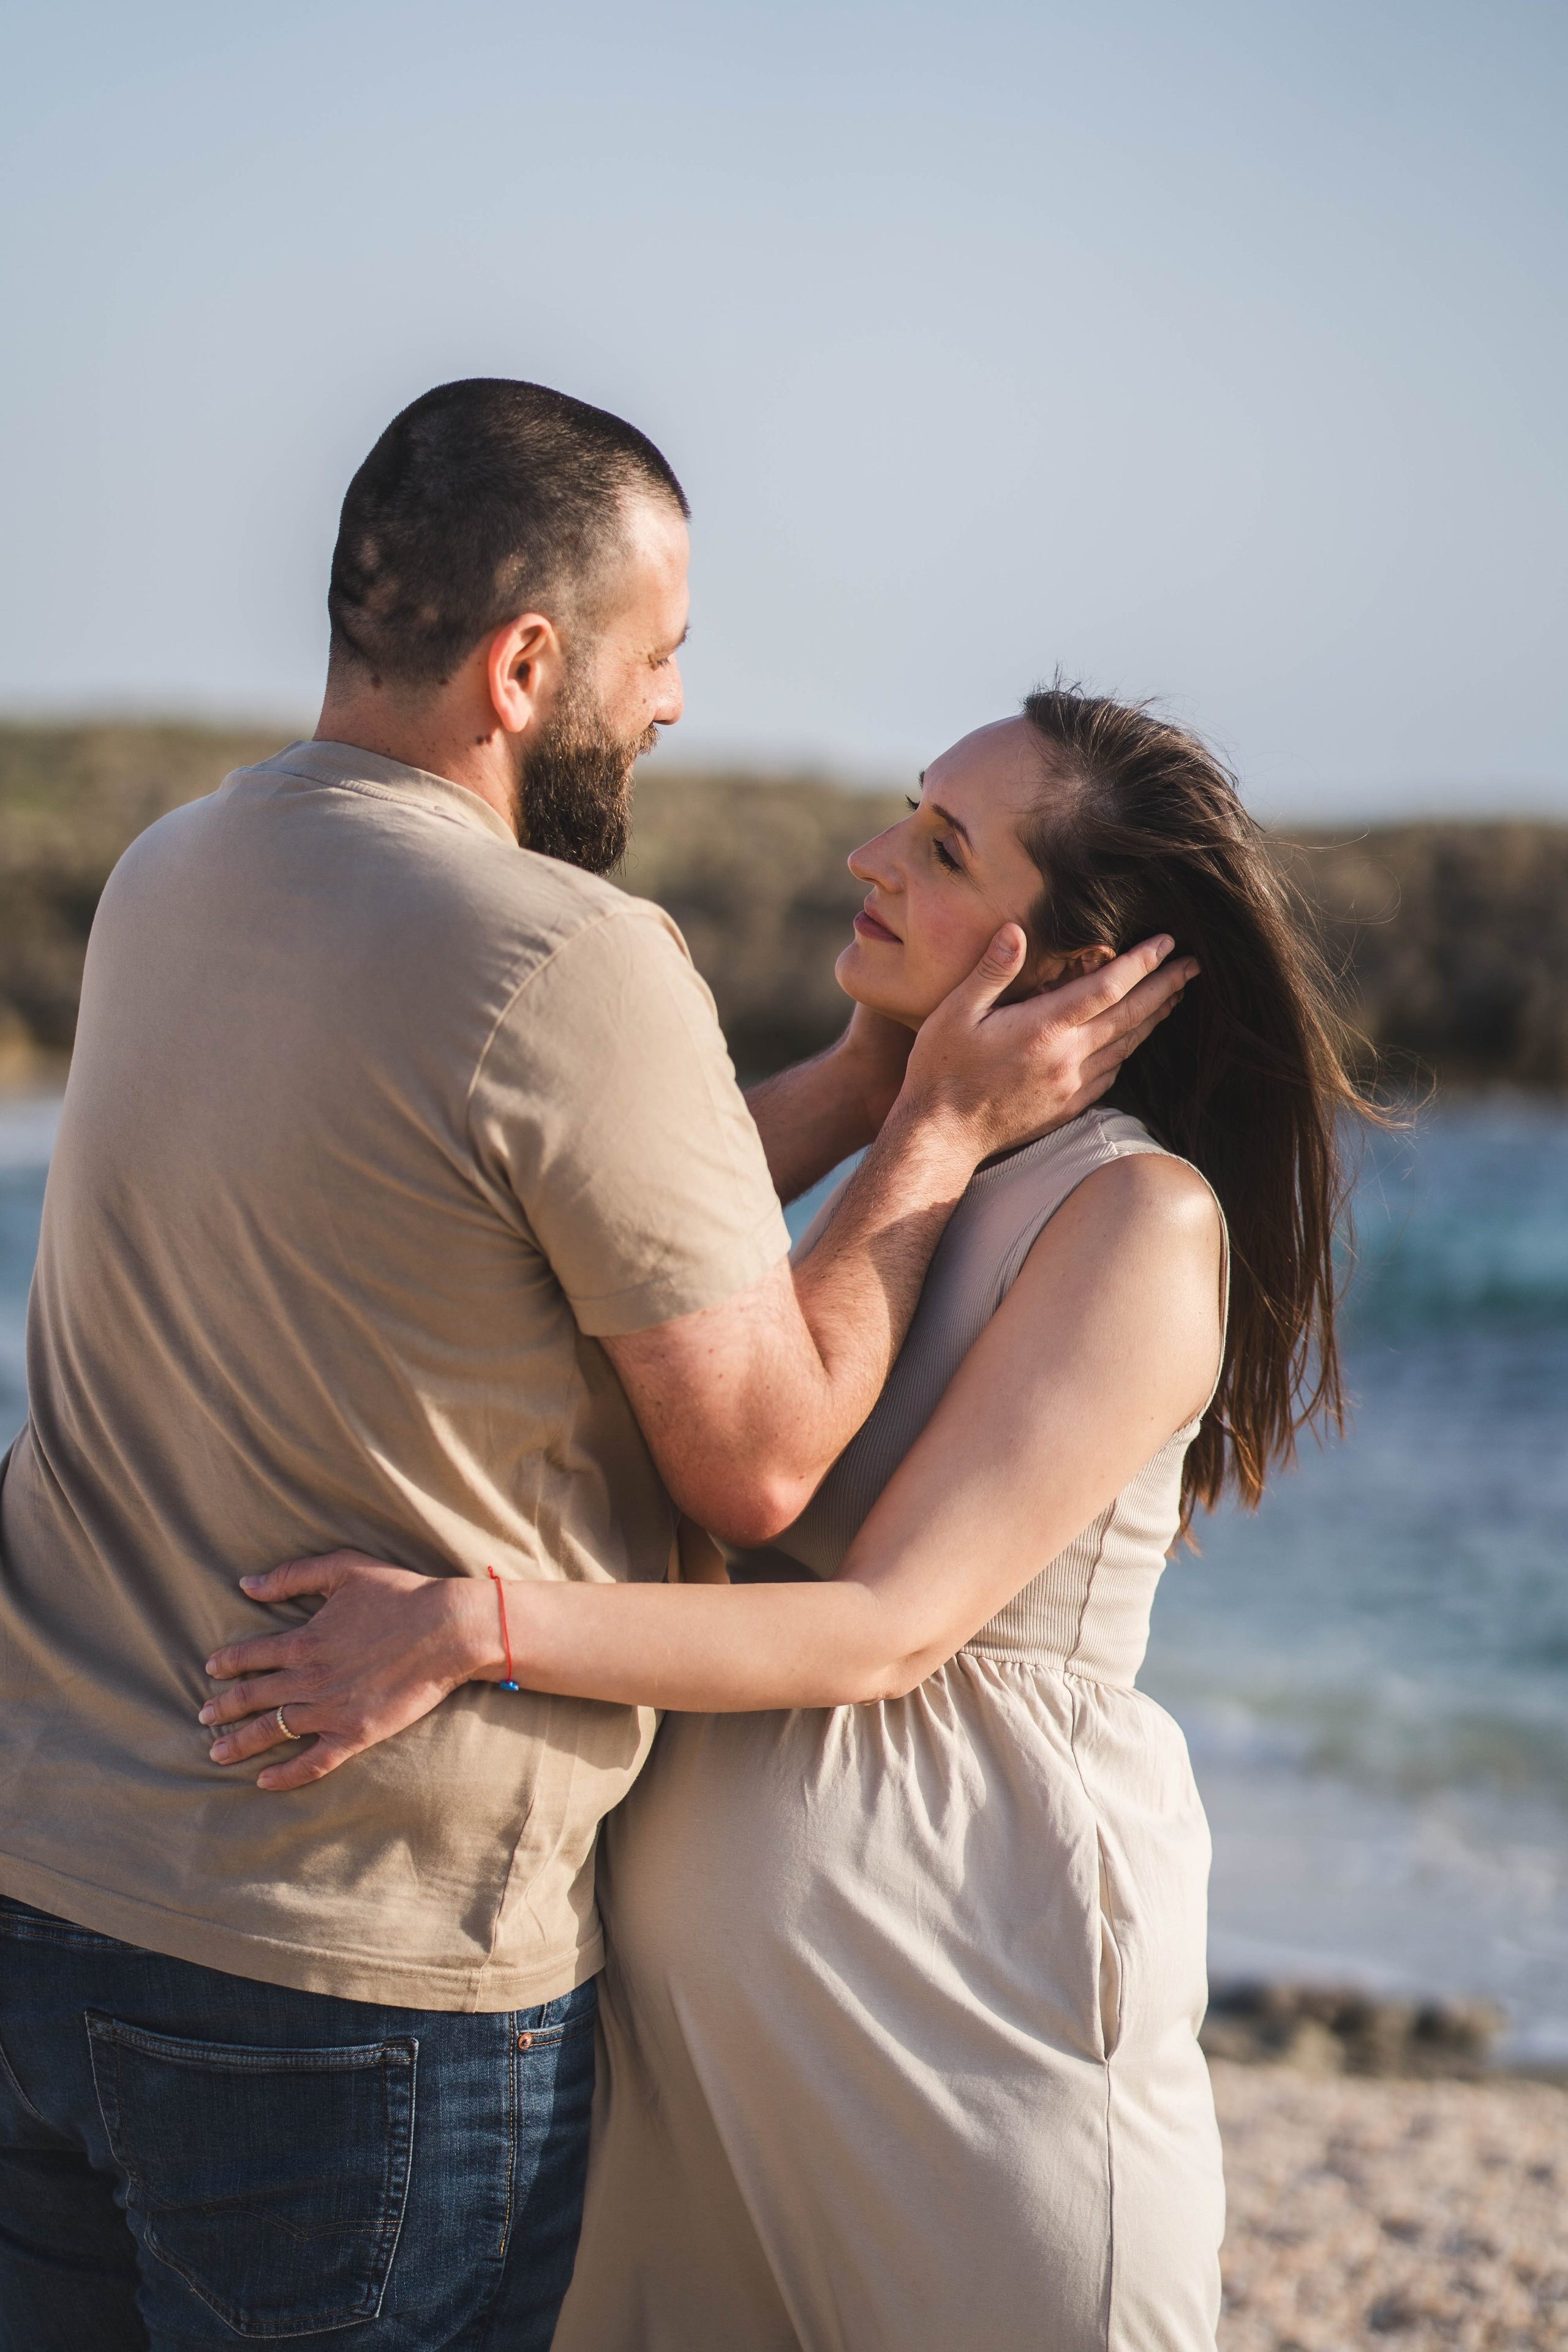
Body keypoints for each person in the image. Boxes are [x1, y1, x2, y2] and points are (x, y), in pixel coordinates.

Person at [0, 381, 1185, 2352]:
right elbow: (761, 1464)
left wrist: (872, 1084)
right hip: (343, 1974)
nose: (675, 708)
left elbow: (566, 1185)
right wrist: (935, 1150)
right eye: (662, 655)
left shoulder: (171, 875)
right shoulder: (568, 955)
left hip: (44, 1903)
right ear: (527, 662)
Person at [208, 684, 1367, 2350]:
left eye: (943, 847)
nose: (870, 854)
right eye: (909, 811)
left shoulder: (1135, 1217)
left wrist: (472, 1630)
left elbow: (887, 1628)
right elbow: (577, 1265)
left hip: (963, 2021)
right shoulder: (911, 1164)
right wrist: (878, 1083)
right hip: (705, 2062)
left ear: (1073, 964)